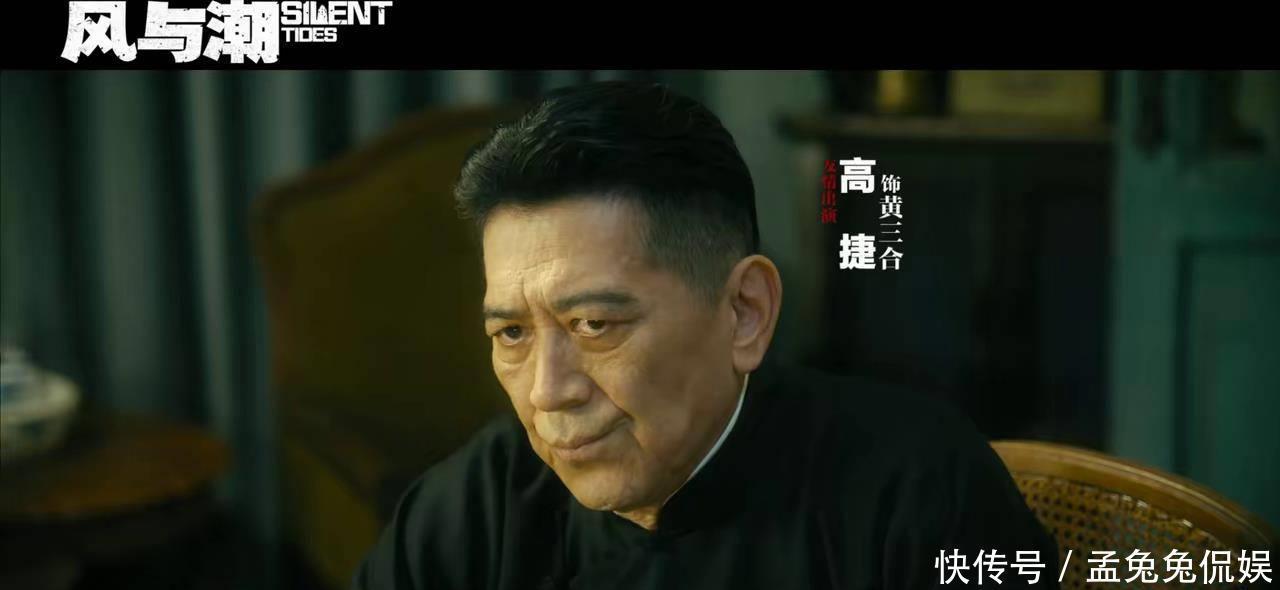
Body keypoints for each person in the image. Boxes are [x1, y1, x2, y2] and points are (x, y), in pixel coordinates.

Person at [351, 81, 1059, 589]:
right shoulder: (483, 499)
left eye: (594, 325)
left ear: (745, 312)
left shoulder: (917, 491)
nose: (547, 392)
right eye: (512, 333)